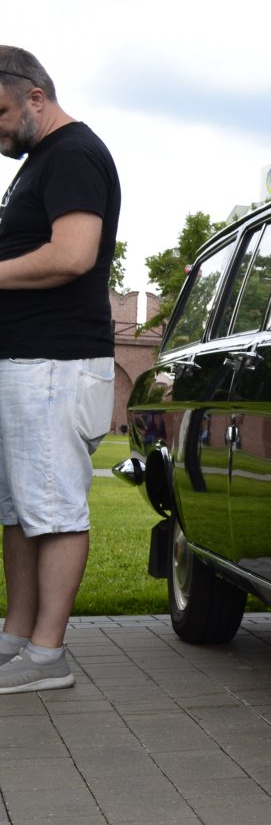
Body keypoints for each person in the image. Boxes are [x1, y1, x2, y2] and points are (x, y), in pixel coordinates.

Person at [0, 46, 120, 693]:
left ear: (36, 98)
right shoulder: (40, 161)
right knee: (20, 511)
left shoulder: (73, 152)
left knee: (54, 511)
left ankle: (48, 656)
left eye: (0, 112)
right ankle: (17, 637)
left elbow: (73, 255)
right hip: (29, 363)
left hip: (56, 365)